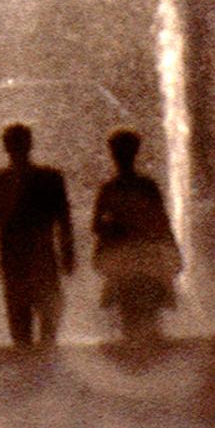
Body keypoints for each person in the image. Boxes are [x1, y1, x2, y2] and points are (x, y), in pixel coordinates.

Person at [0, 123, 76, 348]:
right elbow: (64, 221)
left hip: (15, 259)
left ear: (5, 147)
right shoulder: (51, 178)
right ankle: (47, 368)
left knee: (21, 325)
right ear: (31, 144)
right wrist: (68, 254)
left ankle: (28, 372)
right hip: (39, 259)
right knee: (46, 321)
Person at [88, 128, 180, 351]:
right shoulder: (141, 187)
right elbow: (162, 222)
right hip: (136, 256)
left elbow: (97, 226)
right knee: (137, 305)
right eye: (119, 152)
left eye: (122, 152)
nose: (120, 156)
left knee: (136, 305)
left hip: (131, 256)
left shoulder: (114, 189)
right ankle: (145, 349)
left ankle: (139, 348)